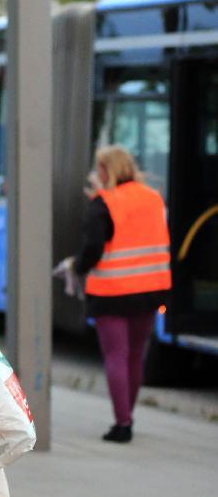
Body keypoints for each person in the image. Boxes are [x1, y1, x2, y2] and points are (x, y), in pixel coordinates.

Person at [65, 145, 171, 443]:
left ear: (106, 170)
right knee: (136, 356)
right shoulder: (153, 198)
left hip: (112, 292)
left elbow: (92, 249)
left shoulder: (103, 203)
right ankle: (128, 416)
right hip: (150, 290)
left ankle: (122, 423)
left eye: (99, 168)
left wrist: (77, 267)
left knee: (116, 356)